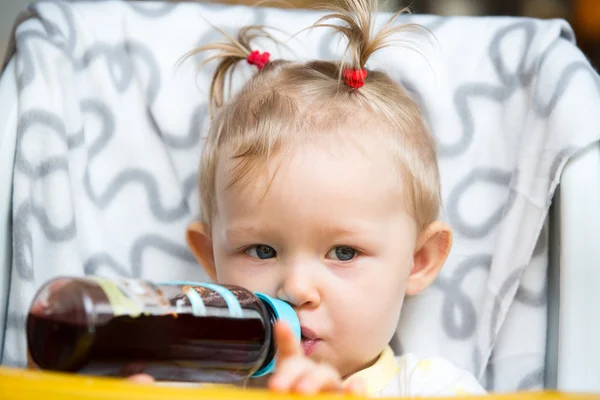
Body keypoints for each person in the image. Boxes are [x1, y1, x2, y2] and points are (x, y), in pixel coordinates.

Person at [136, 0, 487, 396]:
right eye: (262, 250)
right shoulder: (194, 386)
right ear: (210, 258)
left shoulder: (433, 389)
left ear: (418, 260)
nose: (298, 289)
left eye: (344, 253)